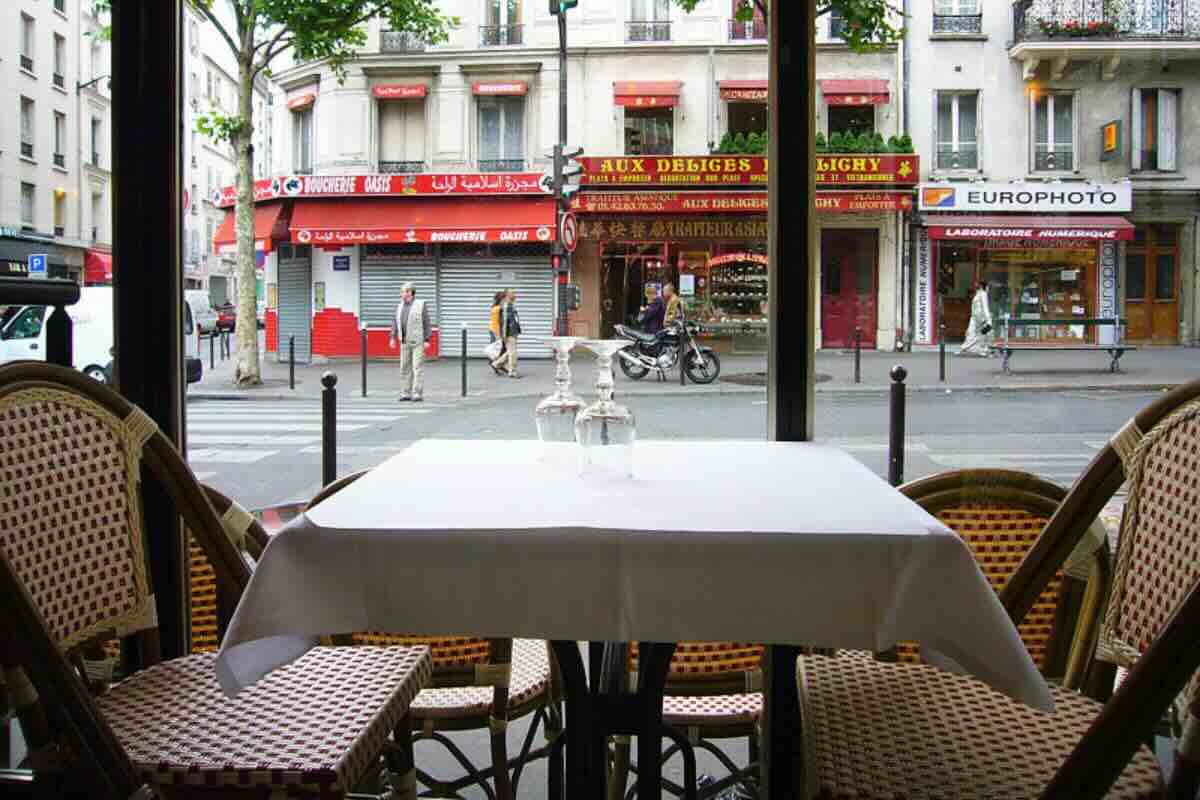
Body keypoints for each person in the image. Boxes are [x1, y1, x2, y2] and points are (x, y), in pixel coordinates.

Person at [389, 282, 431, 401]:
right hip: (404, 341)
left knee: (417, 367)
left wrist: (427, 339)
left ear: (412, 293)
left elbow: (426, 322)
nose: (404, 294)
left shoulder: (421, 305)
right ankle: (406, 392)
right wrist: (392, 337)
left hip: (418, 341)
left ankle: (417, 393)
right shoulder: (399, 306)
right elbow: (394, 323)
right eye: (402, 292)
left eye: (406, 291)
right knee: (404, 367)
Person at [957, 280, 994, 357]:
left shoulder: (983, 294)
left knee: (979, 335)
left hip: (980, 319)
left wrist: (988, 320)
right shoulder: (979, 294)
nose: (975, 286)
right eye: (988, 287)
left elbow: (985, 308)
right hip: (975, 318)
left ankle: (981, 350)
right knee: (971, 333)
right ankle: (965, 349)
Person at [491, 288, 522, 378]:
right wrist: (504, 335)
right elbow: (504, 321)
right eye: (513, 293)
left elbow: (514, 319)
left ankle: (496, 364)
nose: (515, 295)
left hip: (513, 332)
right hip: (509, 333)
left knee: (510, 352)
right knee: (513, 353)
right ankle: (512, 372)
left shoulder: (511, 305)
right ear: (508, 295)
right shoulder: (506, 307)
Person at [488, 290, 507, 375]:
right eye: (504, 298)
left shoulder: (494, 307)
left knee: (499, 349)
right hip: (496, 331)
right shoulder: (499, 309)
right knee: (501, 350)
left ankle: (496, 364)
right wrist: (499, 335)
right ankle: (496, 364)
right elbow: (499, 322)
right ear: (501, 299)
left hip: (493, 330)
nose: (506, 300)